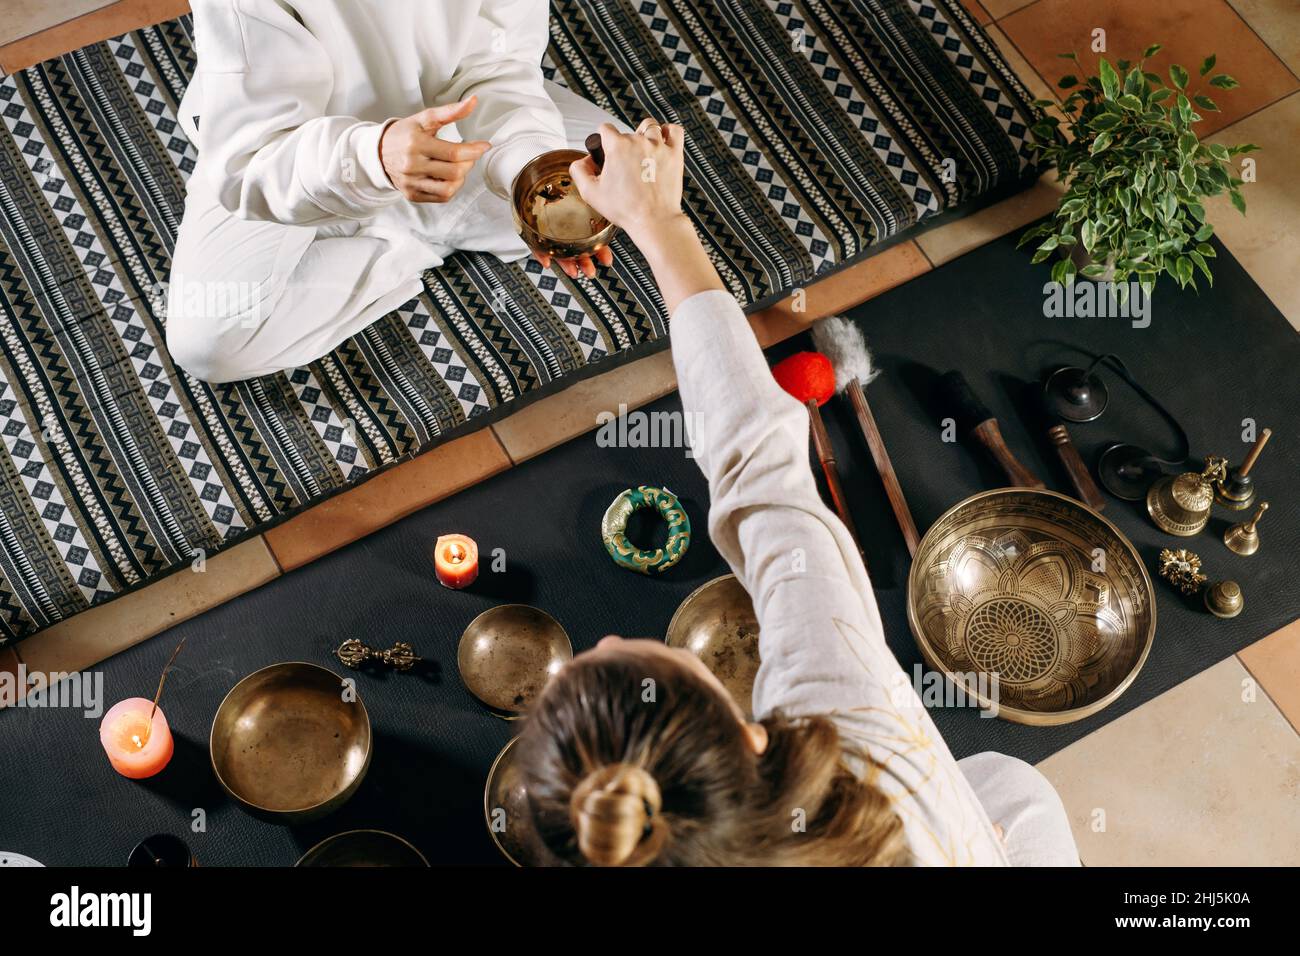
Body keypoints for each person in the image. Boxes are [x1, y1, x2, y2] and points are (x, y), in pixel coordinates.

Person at [515, 120, 1082, 867]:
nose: (609, 640)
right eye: (633, 658)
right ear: (752, 737)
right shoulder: (846, 720)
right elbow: (759, 469)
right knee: (1011, 788)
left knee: (1002, 789)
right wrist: (659, 220)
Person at [166, 0, 621, 383]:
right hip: (297, 148)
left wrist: (529, 168)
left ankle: (398, 209)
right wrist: (370, 160)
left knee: (620, 180)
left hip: (450, 113)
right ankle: (396, 224)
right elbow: (252, 156)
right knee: (211, 340)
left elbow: (498, 66)